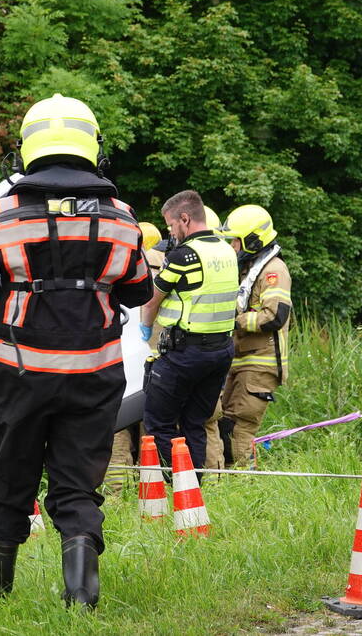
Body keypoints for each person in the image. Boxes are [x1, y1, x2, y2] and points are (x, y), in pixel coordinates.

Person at [0, 93, 153, 608]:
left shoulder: (4, 214)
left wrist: (5, 292)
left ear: (27, 150)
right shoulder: (122, 218)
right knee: (78, 482)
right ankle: (80, 595)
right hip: (95, 375)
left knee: (9, 476)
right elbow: (139, 291)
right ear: (92, 147)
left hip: (20, 376)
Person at [138, 190, 238, 478]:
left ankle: (176, 486)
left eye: (171, 225)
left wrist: (145, 329)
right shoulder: (226, 250)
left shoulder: (185, 255)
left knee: (158, 423)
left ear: (185, 218)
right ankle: (196, 490)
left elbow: (151, 299)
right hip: (220, 351)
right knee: (195, 422)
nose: (170, 232)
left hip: (184, 353)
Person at [206, 205, 292, 467]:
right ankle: (235, 481)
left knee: (239, 430)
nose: (233, 247)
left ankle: (246, 484)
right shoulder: (250, 269)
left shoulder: (273, 271)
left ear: (254, 240)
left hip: (260, 364)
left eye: (236, 241)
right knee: (226, 424)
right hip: (241, 361)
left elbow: (275, 315)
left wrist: (234, 321)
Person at [105, 221, 164, 495]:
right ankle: (152, 491)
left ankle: (116, 494)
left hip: (121, 369)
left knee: (115, 435)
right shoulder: (169, 271)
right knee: (150, 436)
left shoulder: (118, 270)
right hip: (156, 370)